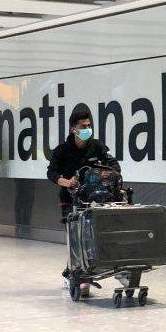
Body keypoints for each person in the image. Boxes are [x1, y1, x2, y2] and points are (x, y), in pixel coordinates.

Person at [47, 107, 120, 296]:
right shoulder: (62, 150)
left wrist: (107, 172)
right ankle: (74, 274)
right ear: (74, 129)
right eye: (83, 126)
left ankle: (82, 273)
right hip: (69, 198)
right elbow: (51, 173)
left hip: (93, 198)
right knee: (75, 238)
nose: (87, 128)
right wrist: (66, 182)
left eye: (89, 125)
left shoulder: (97, 146)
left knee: (89, 237)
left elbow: (113, 164)